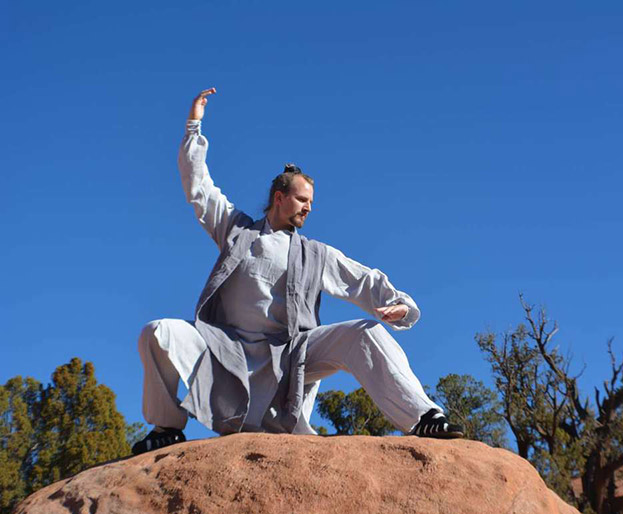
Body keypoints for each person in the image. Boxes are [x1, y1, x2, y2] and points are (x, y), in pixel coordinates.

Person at [132, 88, 463, 455]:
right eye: (303, 200)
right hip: (225, 352)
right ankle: (167, 427)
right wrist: (193, 126)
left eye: (311, 203)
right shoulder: (236, 230)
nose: (308, 209)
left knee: (365, 333)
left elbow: (361, 279)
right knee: (157, 332)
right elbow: (199, 188)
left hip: (292, 357)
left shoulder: (314, 253)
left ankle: (424, 417)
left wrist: (399, 304)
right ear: (279, 196)